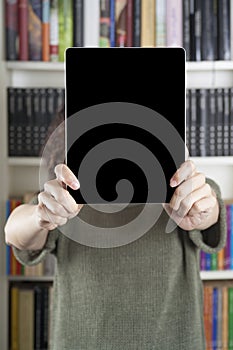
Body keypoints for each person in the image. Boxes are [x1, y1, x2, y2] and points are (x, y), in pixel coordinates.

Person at [4, 107, 226, 350]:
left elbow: (210, 211)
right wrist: (39, 216)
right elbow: (13, 231)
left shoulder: (185, 192)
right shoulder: (67, 195)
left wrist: (205, 210)